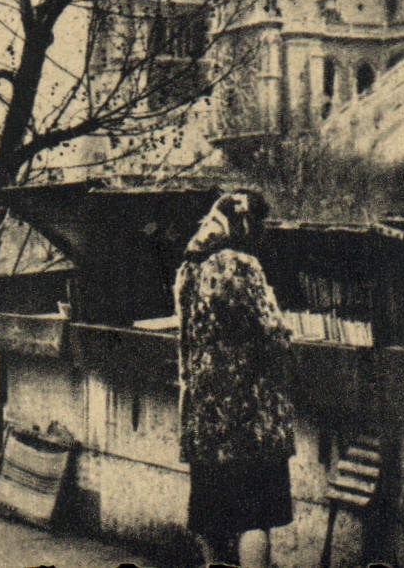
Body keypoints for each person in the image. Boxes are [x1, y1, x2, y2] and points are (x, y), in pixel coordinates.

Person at [175, 191, 294, 568]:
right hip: (247, 416)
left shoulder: (190, 266)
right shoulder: (241, 265)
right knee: (253, 518)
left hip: (203, 417)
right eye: (259, 223)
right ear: (245, 223)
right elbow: (272, 332)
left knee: (210, 517)